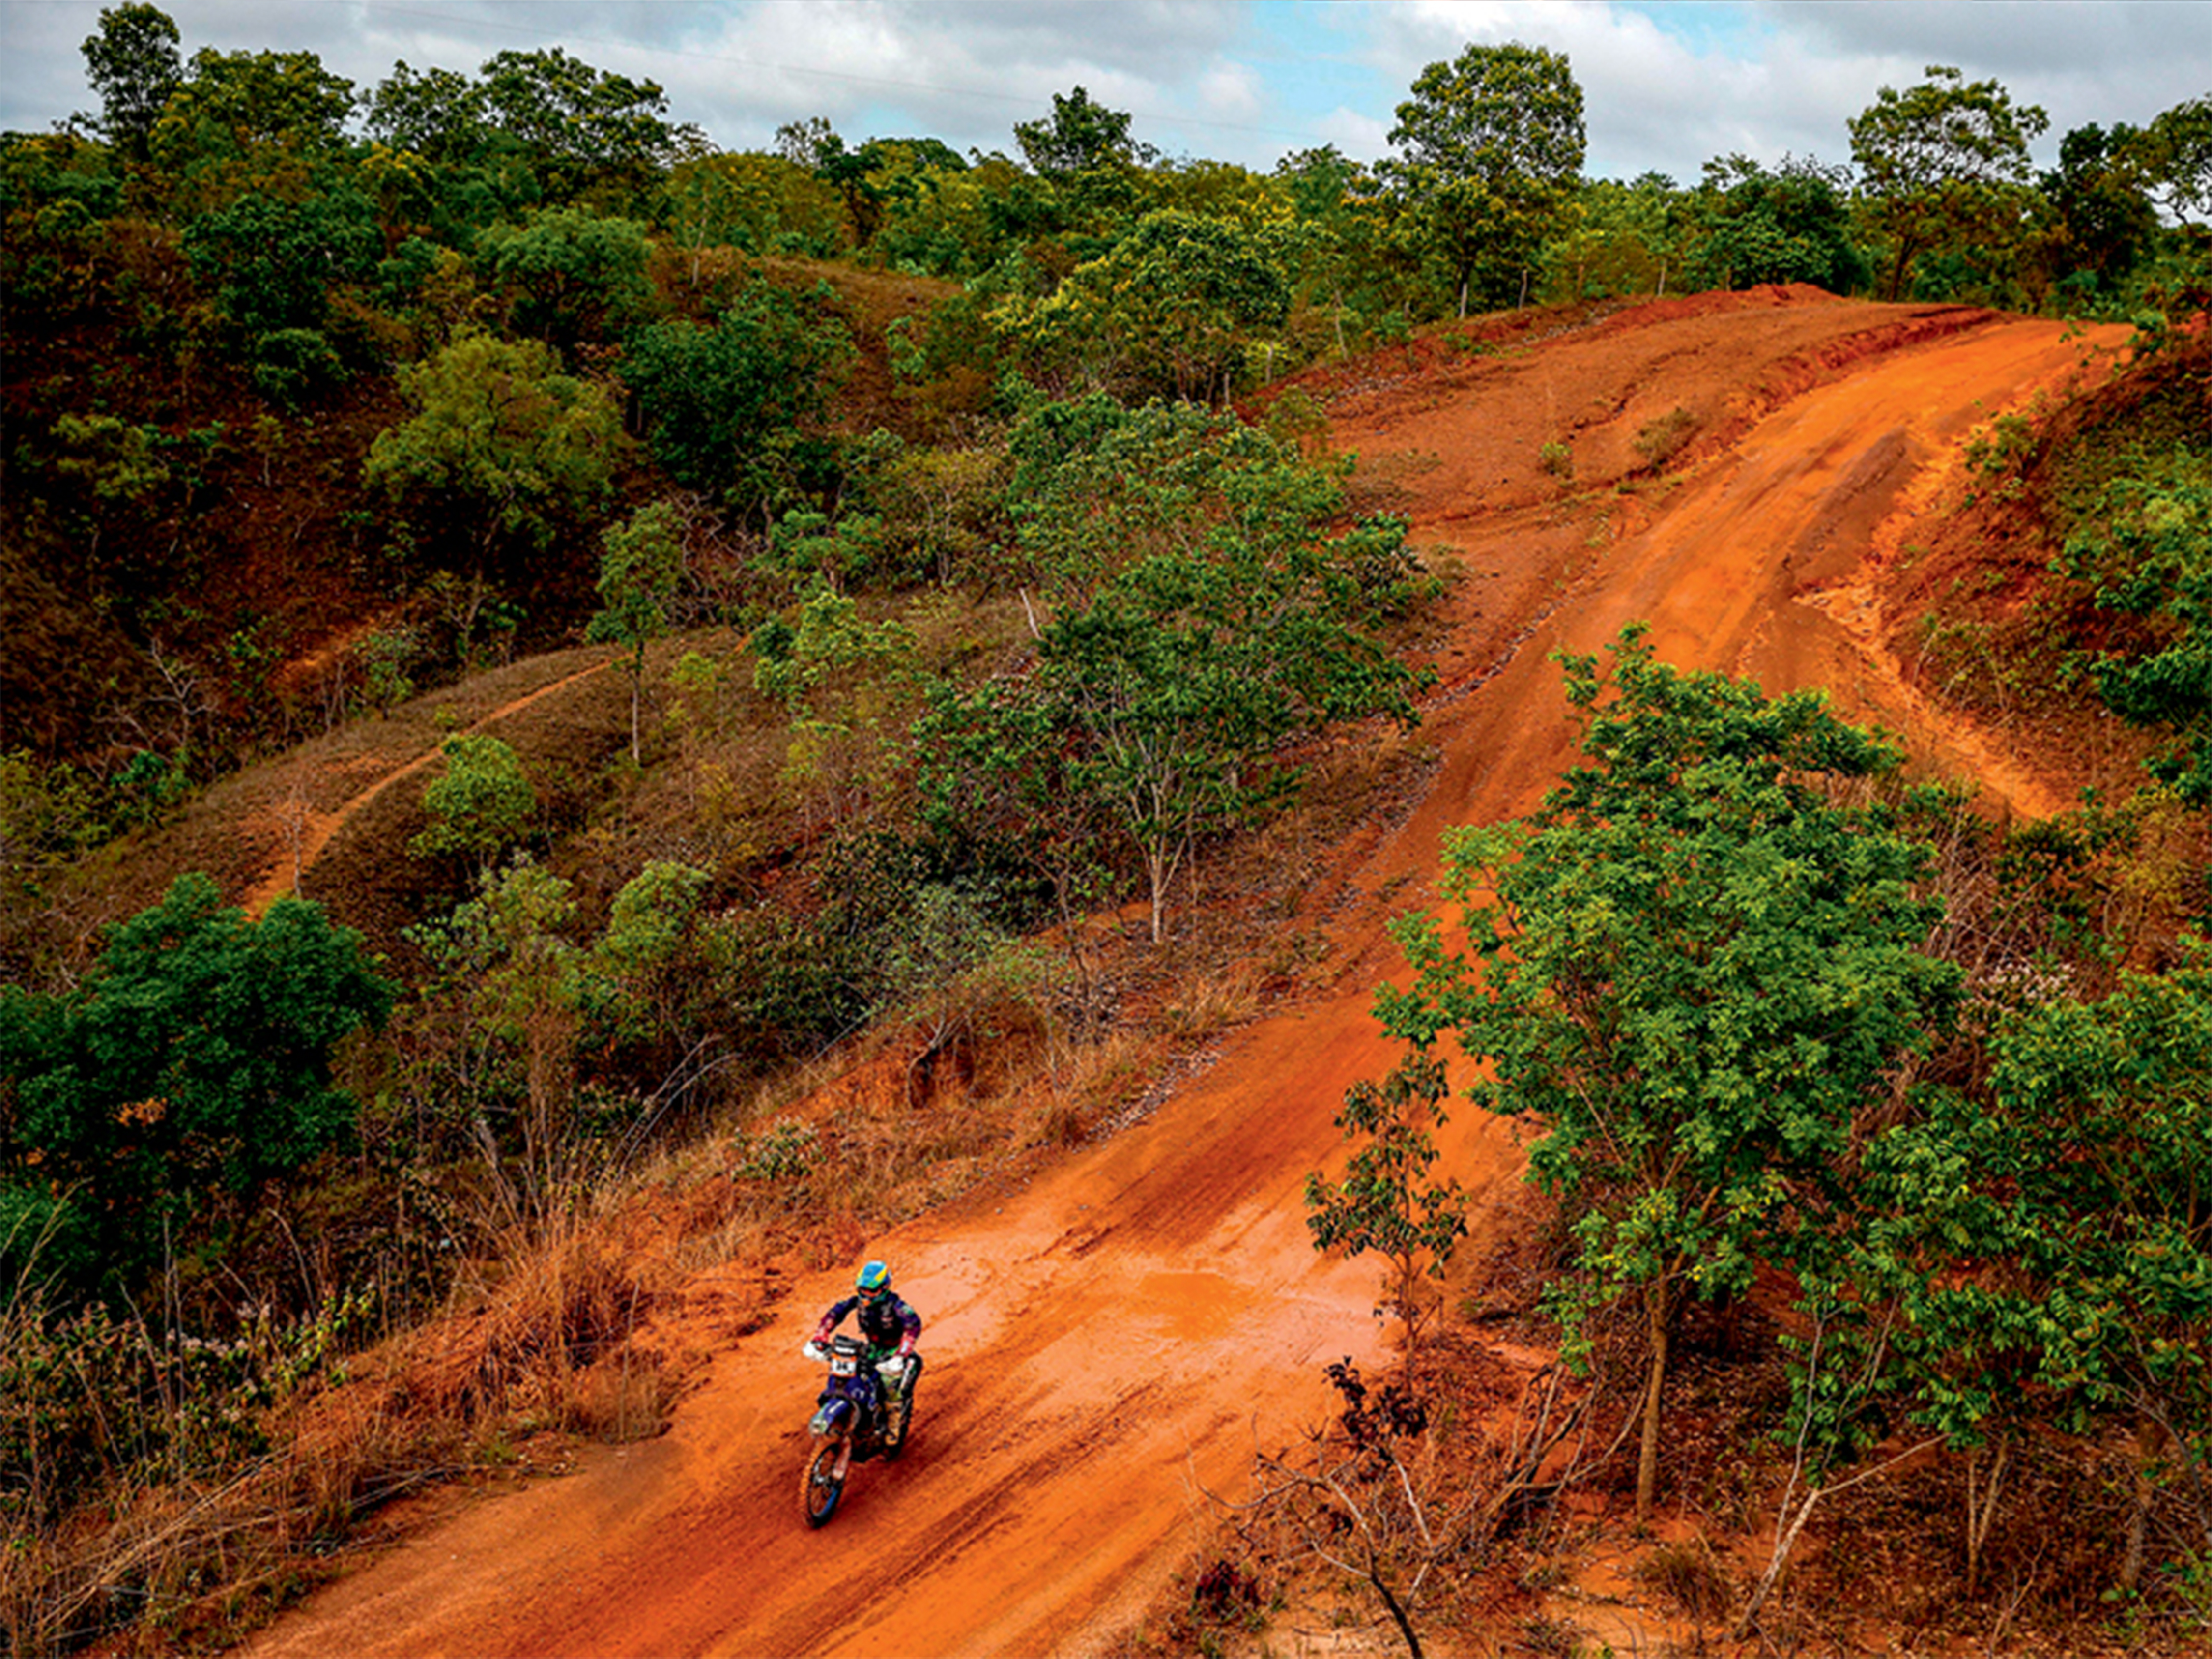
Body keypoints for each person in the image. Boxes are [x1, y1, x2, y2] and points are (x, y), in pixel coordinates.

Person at [814, 1260, 922, 1444]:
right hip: (871, 1348)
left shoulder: (896, 1306)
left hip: (894, 1351)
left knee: (891, 1388)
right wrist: (821, 1335)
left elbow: (913, 1325)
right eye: (862, 1290)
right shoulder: (857, 1302)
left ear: (884, 1288)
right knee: (850, 1374)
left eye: (872, 1291)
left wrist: (901, 1354)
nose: (866, 1295)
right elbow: (836, 1313)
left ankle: (893, 1429)